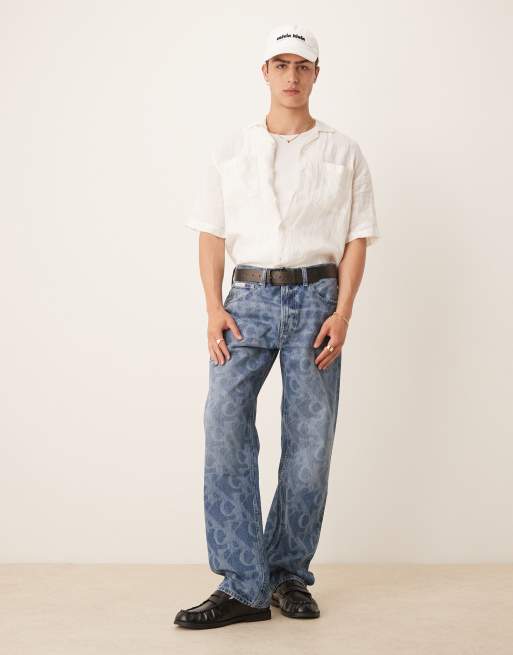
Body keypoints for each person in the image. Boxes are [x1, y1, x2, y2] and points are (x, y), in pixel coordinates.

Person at [175, 23, 380, 630]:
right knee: (224, 427)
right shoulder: (231, 149)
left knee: (311, 446)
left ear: (316, 75)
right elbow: (211, 234)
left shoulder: (344, 152)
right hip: (246, 302)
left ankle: (287, 573)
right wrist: (213, 307)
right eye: (281, 64)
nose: (292, 76)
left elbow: (357, 238)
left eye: (303, 66)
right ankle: (243, 584)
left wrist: (343, 312)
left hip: (317, 303)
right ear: (264, 73)